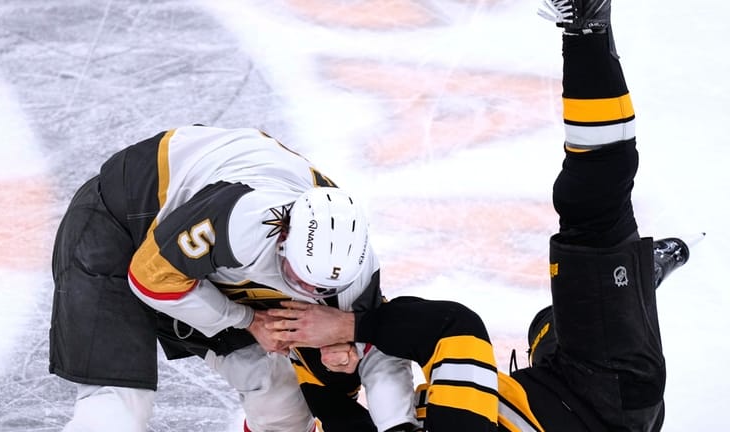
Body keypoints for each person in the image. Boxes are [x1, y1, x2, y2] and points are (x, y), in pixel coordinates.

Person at [266, 0, 694, 430]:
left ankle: (624, 287)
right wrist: (352, 324)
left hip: (546, 388)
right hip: (610, 394)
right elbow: (454, 328)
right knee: (593, 215)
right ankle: (588, 32)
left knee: (548, 327)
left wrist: (334, 363)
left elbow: (328, 404)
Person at [49, 126, 419, 431]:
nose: (307, 293)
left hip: (199, 262)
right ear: (283, 233)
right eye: (297, 278)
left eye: (321, 290)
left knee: (283, 399)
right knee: (118, 407)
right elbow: (150, 278)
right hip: (122, 220)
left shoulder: (355, 271)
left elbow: (381, 356)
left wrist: (398, 427)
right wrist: (248, 319)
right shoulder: (242, 220)